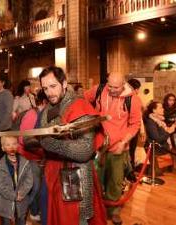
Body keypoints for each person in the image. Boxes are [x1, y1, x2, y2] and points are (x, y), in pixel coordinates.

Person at [37, 66, 106, 225]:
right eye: (45, 88)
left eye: (53, 86)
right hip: (53, 173)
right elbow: (42, 138)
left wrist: (50, 143)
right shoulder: (48, 109)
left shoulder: (80, 107)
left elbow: (84, 151)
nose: (49, 92)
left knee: (76, 219)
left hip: (76, 176)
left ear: (64, 83)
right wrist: (35, 140)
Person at [84, 72, 142, 225]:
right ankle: (96, 209)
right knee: (96, 180)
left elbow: (135, 124)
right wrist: (90, 116)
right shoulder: (99, 90)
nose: (112, 89)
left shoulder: (133, 99)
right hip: (98, 146)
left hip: (118, 147)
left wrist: (124, 142)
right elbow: (83, 100)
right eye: (109, 85)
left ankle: (114, 211)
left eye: (116, 87)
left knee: (115, 182)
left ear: (123, 84)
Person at [18, 90, 48, 222]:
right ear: (44, 102)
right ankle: (25, 211)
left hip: (39, 157)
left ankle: (35, 211)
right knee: (34, 187)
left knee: (39, 186)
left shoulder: (45, 115)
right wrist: (43, 151)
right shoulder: (32, 115)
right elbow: (22, 139)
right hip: (29, 157)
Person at [0, 136, 33, 225]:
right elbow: (0, 185)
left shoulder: (25, 162)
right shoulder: (1, 165)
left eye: (14, 144)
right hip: (6, 201)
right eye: (8, 145)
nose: (11, 147)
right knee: (6, 222)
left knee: (21, 220)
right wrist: (14, 196)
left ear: (18, 145)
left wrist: (22, 193)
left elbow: (29, 180)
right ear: (3, 148)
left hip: (22, 200)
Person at [143, 101, 176, 176]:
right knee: (158, 173)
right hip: (156, 151)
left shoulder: (160, 121)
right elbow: (157, 139)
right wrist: (169, 132)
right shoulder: (151, 122)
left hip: (162, 150)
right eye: (160, 108)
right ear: (154, 110)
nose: (163, 109)